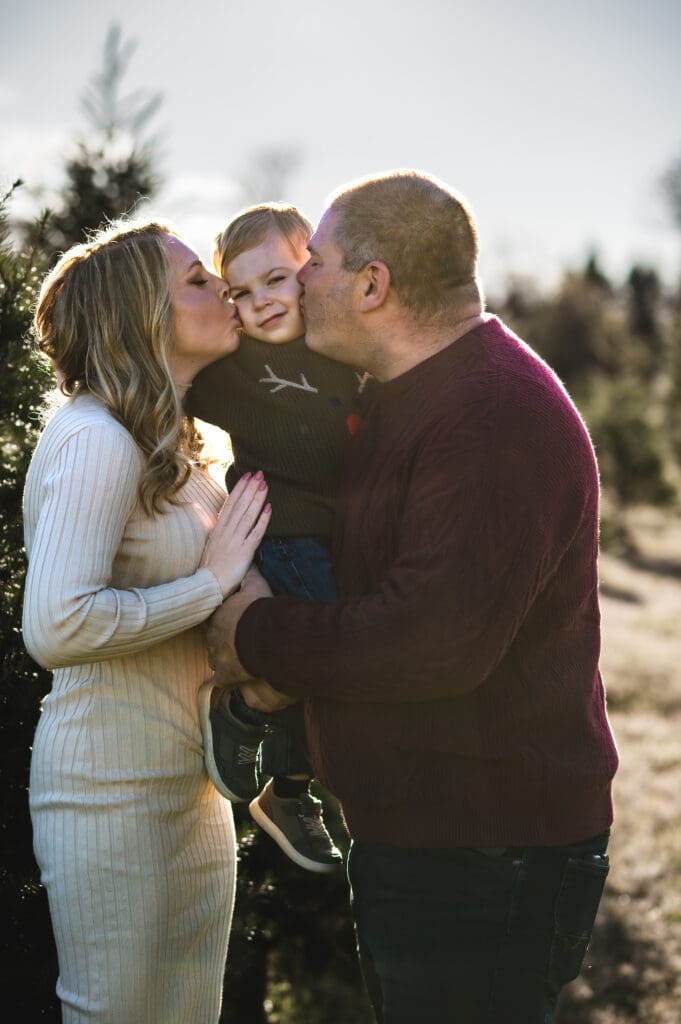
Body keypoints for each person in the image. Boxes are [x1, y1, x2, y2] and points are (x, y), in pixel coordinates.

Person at [201, 170, 620, 1024]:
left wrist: (255, 633)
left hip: (486, 851)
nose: (297, 279)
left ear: (371, 283)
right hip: (435, 837)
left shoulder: (491, 414)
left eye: (310, 262)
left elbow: (429, 642)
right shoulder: (406, 396)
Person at [22, 218, 272, 1024]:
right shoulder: (95, 438)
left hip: (189, 788)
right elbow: (56, 626)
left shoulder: (176, 444)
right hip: (108, 789)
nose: (224, 290)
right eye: (199, 280)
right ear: (145, 317)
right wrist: (208, 585)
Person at [187, 202, 371, 873]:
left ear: (312, 271)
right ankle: (253, 727)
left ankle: (286, 779)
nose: (260, 301)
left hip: (344, 539)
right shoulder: (234, 372)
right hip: (283, 534)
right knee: (328, 649)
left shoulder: (345, 352)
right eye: (241, 290)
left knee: (338, 650)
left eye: (276, 278)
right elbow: (167, 372)